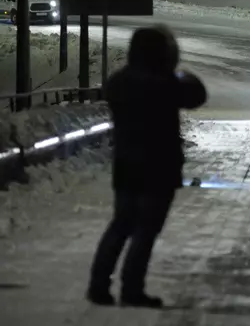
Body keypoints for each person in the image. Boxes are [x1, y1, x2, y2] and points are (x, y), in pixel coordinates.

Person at [87, 25, 207, 308]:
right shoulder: (165, 82)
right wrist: (180, 74)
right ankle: (132, 289)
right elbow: (196, 96)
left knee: (120, 225)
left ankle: (98, 285)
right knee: (145, 231)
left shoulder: (120, 81)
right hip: (158, 166)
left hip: (126, 165)